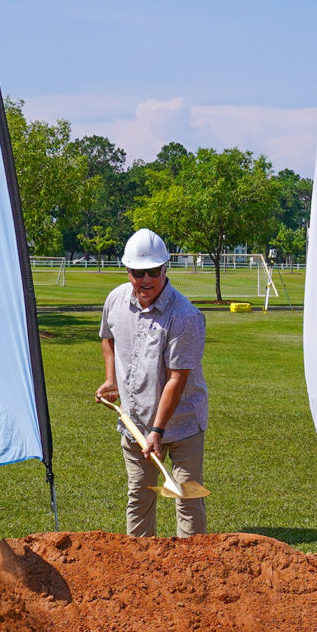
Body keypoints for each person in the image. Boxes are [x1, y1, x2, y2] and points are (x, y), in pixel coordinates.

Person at [97, 228, 210, 536]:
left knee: (185, 495)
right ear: (127, 270)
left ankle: (193, 568)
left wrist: (158, 431)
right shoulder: (116, 300)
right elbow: (107, 337)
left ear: (165, 269)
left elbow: (177, 379)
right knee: (140, 494)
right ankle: (139, 569)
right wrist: (112, 380)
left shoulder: (185, 317)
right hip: (135, 422)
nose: (145, 280)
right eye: (137, 272)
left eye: (152, 272)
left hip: (182, 423)